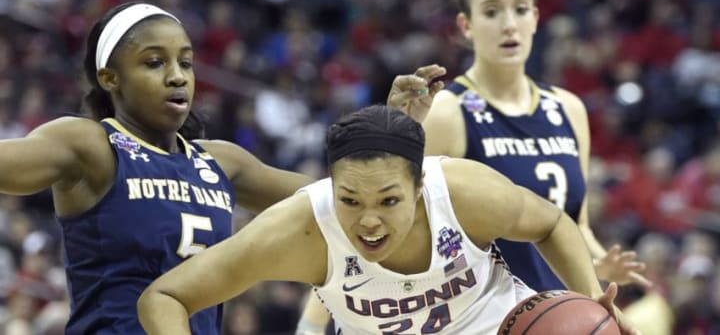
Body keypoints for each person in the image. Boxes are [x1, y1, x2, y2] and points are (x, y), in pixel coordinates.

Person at [0, 1, 441, 335]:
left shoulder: (220, 161)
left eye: (186, 62)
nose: (177, 76)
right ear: (109, 78)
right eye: (155, 62)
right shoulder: (90, 143)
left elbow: (340, 200)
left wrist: (393, 131)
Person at [138, 105, 639, 335]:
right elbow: (165, 297)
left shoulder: (463, 191)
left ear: (421, 189)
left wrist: (594, 299)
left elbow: (552, 223)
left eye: (389, 201)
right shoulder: (302, 227)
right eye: (350, 200)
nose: (369, 222)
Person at [405, 0, 651, 292]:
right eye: (491, 11)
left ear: (535, 17)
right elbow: (403, 225)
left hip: (565, 314)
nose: (509, 24)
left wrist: (599, 264)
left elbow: (575, 225)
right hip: (485, 319)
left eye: (520, 9)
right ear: (466, 25)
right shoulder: (447, 112)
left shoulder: (568, 108)